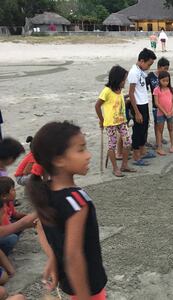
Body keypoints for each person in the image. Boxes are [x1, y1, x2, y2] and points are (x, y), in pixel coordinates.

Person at [27, 121, 107, 300]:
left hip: (69, 283)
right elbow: (73, 257)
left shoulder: (45, 192)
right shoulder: (77, 202)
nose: (88, 155)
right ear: (58, 159)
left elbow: (41, 228)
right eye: (81, 150)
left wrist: (53, 259)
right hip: (87, 285)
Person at [95, 65, 135, 177]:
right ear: (117, 79)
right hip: (110, 123)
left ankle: (124, 165)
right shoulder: (106, 91)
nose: (124, 82)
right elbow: (97, 106)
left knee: (128, 143)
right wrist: (101, 120)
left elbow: (119, 103)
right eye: (123, 80)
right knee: (111, 145)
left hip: (122, 121)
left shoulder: (120, 91)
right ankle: (115, 168)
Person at [128, 48, 157, 166]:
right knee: (138, 131)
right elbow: (131, 93)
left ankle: (142, 151)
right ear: (141, 60)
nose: (149, 67)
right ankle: (136, 156)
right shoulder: (134, 72)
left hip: (144, 103)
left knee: (144, 128)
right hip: (138, 105)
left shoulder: (140, 71)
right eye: (148, 64)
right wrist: (137, 112)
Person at [0, 177, 36, 256]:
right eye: (13, 190)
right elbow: (6, 226)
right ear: (4, 196)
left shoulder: (9, 202)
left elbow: (14, 214)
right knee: (12, 238)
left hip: (7, 225)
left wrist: (27, 217)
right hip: (4, 228)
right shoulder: (2, 208)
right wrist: (24, 222)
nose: (15, 191)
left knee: (20, 224)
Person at [146, 57, 170, 147]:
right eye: (165, 68)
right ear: (159, 67)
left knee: (162, 123)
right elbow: (144, 86)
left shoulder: (166, 77)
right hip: (156, 105)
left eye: (167, 69)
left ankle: (161, 137)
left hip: (165, 105)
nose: (166, 71)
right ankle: (157, 140)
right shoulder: (151, 76)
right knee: (157, 123)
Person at [153, 71, 173, 155]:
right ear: (159, 80)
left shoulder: (170, 89)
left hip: (170, 113)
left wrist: (171, 110)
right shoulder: (156, 90)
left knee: (170, 128)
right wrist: (165, 112)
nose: (166, 82)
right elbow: (156, 103)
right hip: (161, 113)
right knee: (160, 130)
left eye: (167, 81)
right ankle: (159, 147)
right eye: (163, 81)